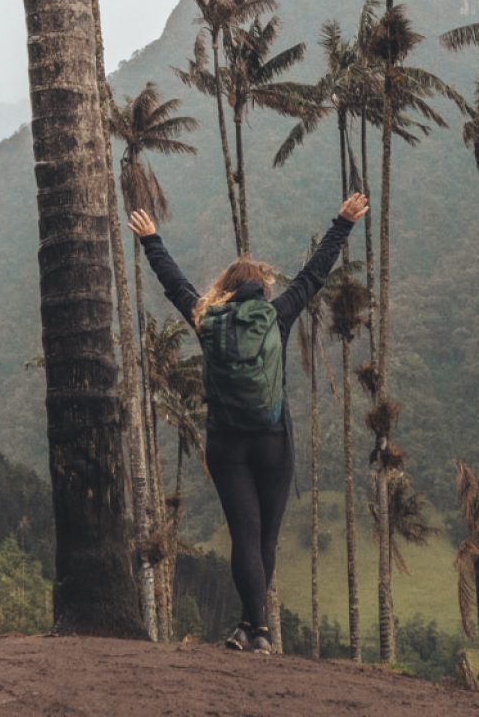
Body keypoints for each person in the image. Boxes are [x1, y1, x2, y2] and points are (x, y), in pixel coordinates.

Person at [128, 192, 369, 654]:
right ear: (262, 289)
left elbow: (174, 283)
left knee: (244, 535)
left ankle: (252, 629)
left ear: (225, 287)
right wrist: (342, 223)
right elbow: (315, 273)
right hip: (272, 441)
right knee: (266, 539)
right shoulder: (277, 315)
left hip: (225, 444)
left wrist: (151, 240)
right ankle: (257, 631)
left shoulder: (206, 318)